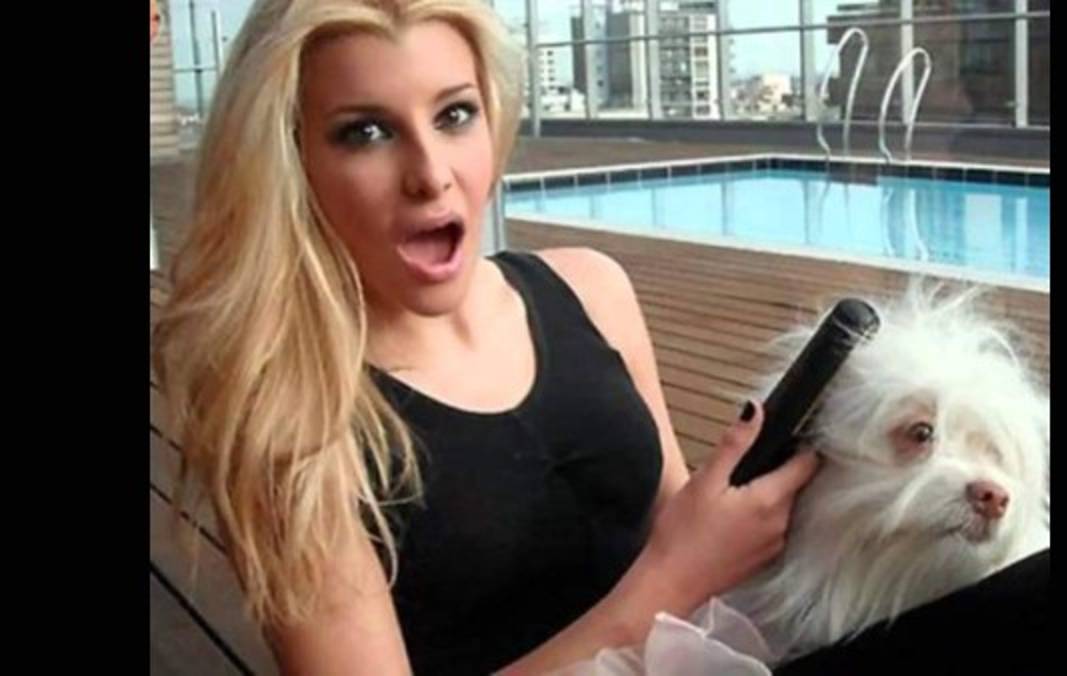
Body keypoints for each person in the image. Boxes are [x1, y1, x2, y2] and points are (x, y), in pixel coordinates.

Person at [150, 1, 818, 674]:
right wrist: (671, 580)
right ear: (291, 163)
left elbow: (676, 525)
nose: (431, 174)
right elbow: (679, 566)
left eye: (454, 115)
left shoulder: (592, 290)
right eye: (366, 132)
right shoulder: (291, 414)